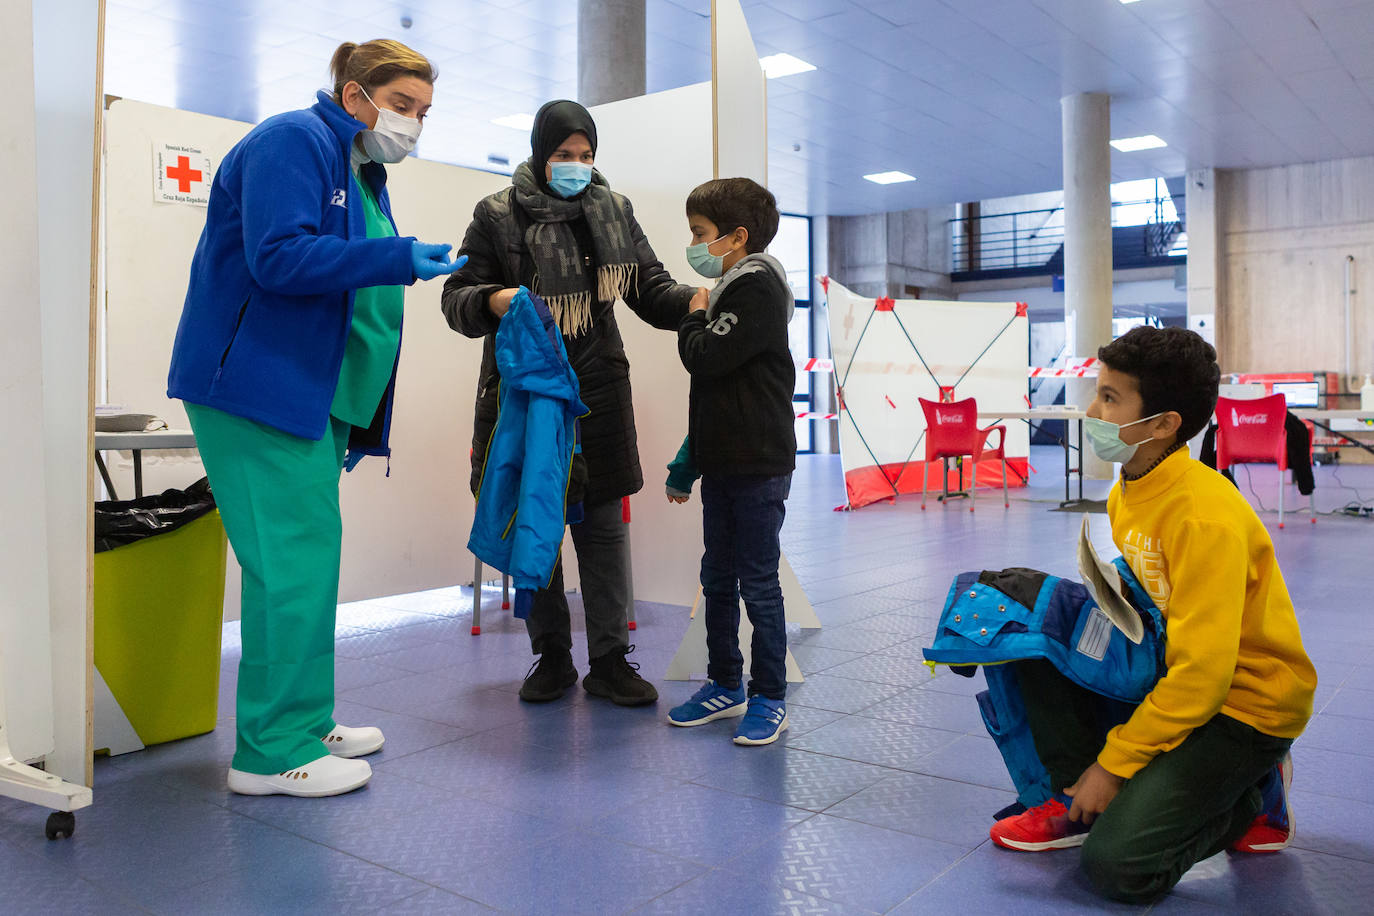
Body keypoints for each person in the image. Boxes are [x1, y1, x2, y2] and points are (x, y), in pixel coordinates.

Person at [167, 39, 463, 797]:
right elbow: (278, 258)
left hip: (312, 393)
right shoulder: (290, 140)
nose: (412, 124)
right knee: (293, 566)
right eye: (402, 105)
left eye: (423, 113)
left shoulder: (358, 165)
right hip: (258, 386)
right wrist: (396, 258)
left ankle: (303, 720)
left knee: (299, 567)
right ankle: (269, 754)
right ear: (354, 91)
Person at [987, 326, 1318, 903]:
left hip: (1245, 706)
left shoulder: (1203, 516)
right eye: (1098, 392)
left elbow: (1204, 678)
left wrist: (1115, 766)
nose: (1092, 410)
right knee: (1026, 626)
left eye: (1110, 399)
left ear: (1164, 424)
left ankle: (1253, 793)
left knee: (1120, 867)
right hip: (1176, 670)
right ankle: (1071, 796)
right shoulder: (1129, 487)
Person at [441, 100, 699, 706]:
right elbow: (456, 299)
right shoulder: (497, 215)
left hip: (598, 388)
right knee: (539, 519)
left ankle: (610, 660)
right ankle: (551, 656)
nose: (576, 166)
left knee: (605, 525)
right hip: (526, 392)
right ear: (540, 153)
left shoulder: (613, 211)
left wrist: (695, 299)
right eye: (563, 155)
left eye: (585, 156)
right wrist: (495, 300)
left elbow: (650, 288)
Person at [665, 178, 797, 746]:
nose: (693, 244)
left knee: (759, 583)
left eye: (700, 234)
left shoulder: (756, 288)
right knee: (716, 578)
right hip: (722, 464)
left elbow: (705, 357)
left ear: (736, 237)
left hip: (759, 466)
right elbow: (711, 400)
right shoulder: (731, 289)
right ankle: (725, 682)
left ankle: (769, 695)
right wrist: (686, 465)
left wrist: (693, 314)